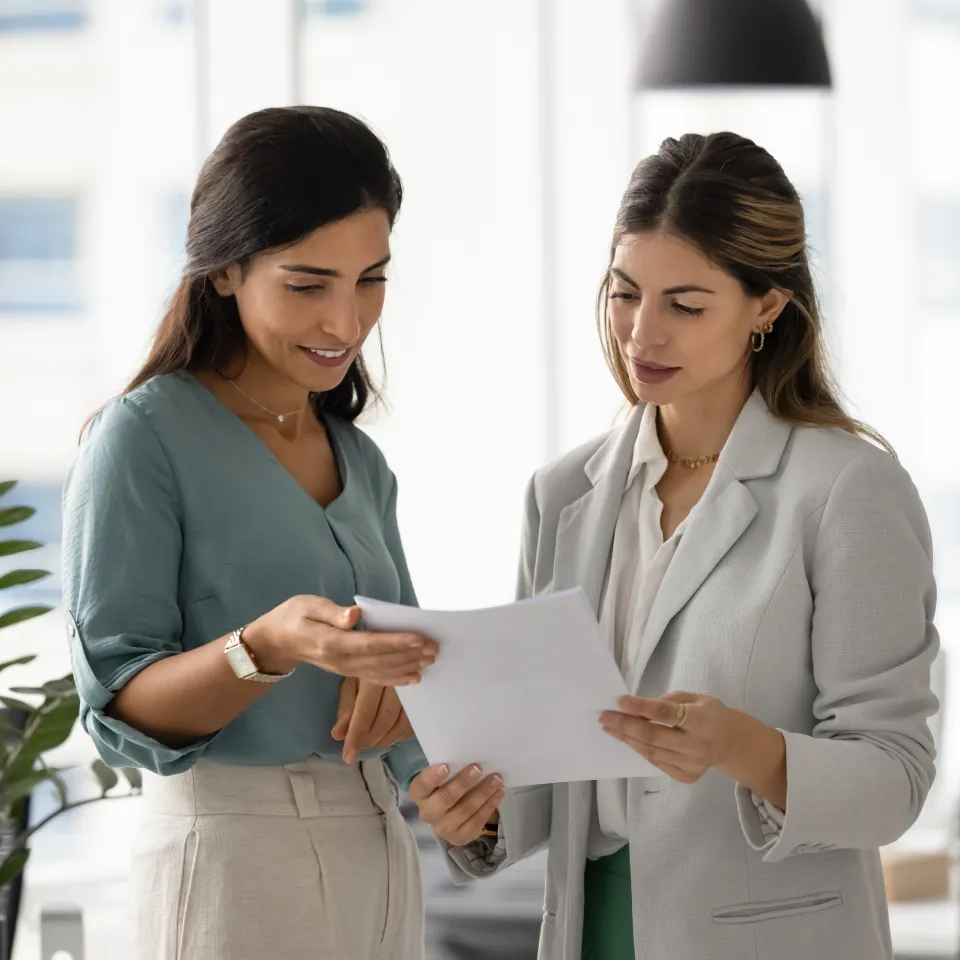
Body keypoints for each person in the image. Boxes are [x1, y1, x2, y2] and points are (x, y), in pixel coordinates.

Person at [410, 132, 940, 960]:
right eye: (626, 294)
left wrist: (741, 746)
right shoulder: (563, 494)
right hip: (590, 929)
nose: (641, 334)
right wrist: (478, 815)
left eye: (686, 305)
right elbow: (548, 756)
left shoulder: (847, 489)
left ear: (767, 306)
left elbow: (894, 780)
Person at [61, 106, 443, 960]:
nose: (346, 324)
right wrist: (265, 646)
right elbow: (117, 705)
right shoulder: (143, 438)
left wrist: (452, 787)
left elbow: (407, 683)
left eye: (370, 280)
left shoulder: (360, 460)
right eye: (308, 286)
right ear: (227, 271)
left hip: (378, 846)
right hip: (236, 855)